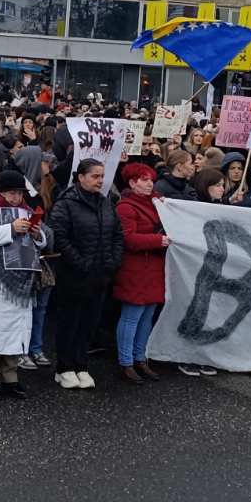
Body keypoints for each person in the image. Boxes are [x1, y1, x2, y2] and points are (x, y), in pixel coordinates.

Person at [0, 168, 50, 399]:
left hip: (21, 281)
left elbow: (46, 239)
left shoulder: (27, 211)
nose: (16, 198)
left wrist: (37, 235)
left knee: (14, 331)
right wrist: (10, 229)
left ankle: (10, 378)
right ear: (0, 192)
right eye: (11, 193)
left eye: (19, 193)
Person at [46, 160, 123, 390]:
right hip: (74, 276)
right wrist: (80, 263)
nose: (100, 180)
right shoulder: (66, 203)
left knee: (89, 323)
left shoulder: (105, 203)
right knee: (70, 323)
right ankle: (64, 367)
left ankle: (81, 365)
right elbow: (59, 236)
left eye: (102, 176)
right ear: (80, 177)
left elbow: (117, 234)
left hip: (100, 276)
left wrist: (112, 261)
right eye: (95, 176)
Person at [112, 162, 166, 385]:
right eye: (144, 180)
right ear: (132, 183)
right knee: (132, 316)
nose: (149, 183)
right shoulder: (125, 207)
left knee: (147, 316)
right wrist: (158, 240)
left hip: (153, 267)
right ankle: (126, 362)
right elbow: (128, 239)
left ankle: (140, 357)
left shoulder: (157, 203)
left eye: (151, 179)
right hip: (135, 268)